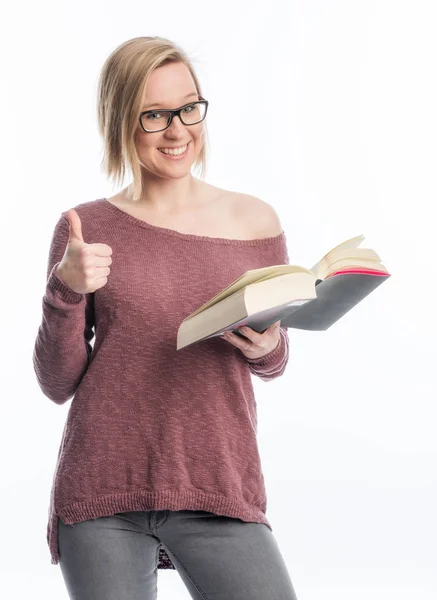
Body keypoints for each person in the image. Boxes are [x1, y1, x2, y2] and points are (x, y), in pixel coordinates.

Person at [33, 36, 299, 600]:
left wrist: (264, 347)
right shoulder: (84, 228)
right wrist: (65, 289)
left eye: (188, 108)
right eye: (154, 115)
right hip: (104, 489)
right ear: (121, 122)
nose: (178, 131)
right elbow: (57, 383)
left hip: (217, 483)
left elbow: (272, 360)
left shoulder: (256, 221)